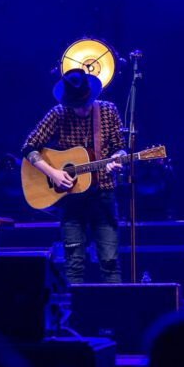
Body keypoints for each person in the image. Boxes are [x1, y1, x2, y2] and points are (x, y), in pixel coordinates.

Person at [21, 69, 126, 284]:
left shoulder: (108, 111)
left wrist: (117, 160)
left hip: (103, 195)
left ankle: (115, 313)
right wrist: (53, 173)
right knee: (74, 263)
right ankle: (76, 315)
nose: (82, 109)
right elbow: (28, 147)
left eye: (85, 103)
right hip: (70, 199)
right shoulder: (59, 114)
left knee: (109, 261)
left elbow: (120, 149)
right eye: (76, 105)